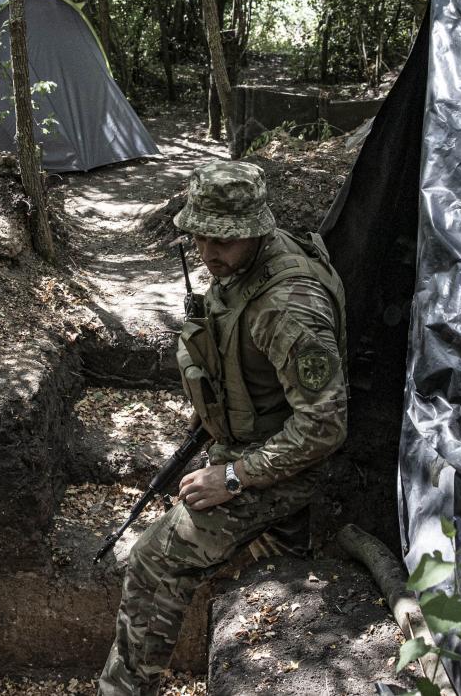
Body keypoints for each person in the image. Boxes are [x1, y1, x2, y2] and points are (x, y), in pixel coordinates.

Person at [98, 160, 349, 696]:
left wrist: (233, 476)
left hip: (295, 464)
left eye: (224, 241)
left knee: (152, 559)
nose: (209, 252)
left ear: (257, 229)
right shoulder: (243, 268)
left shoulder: (288, 307)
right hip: (252, 443)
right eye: (200, 237)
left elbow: (325, 426)